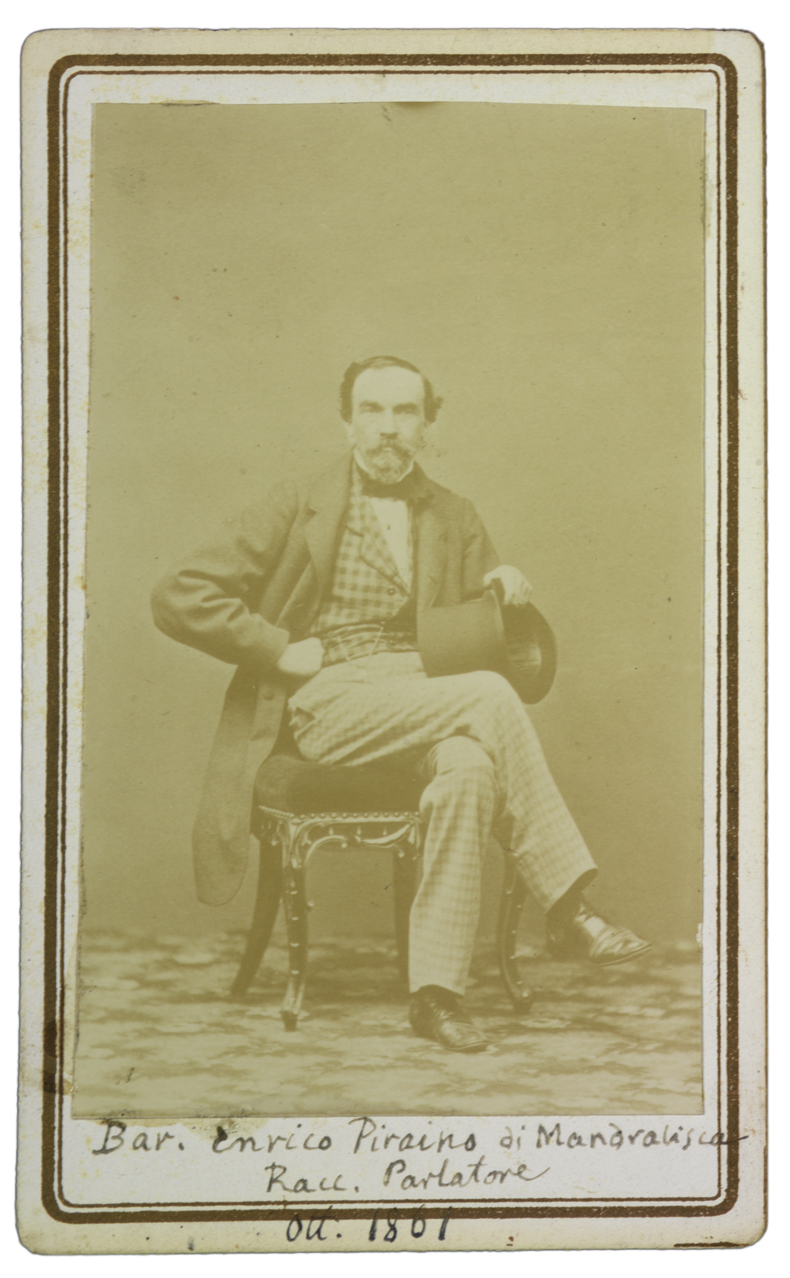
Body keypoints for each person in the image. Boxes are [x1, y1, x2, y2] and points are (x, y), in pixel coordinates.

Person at [151, 355, 650, 1053]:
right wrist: (275, 647)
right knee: (487, 697)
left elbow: (479, 636)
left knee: (469, 769)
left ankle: (436, 997)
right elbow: (178, 594)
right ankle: (568, 905)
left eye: (405, 411)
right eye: (373, 410)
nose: (388, 428)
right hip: (333, 702)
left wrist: (501, 587)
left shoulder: (455, 514)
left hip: (426, 698)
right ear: (348, 422)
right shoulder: (299, 500)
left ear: (427, 426)